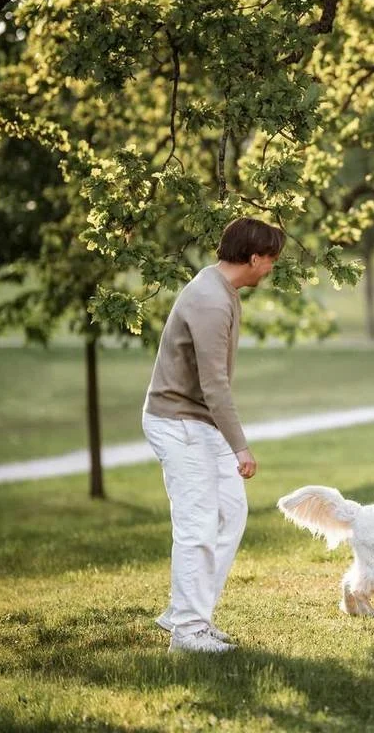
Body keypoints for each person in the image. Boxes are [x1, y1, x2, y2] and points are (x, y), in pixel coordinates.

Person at [142, 218, 284, 653]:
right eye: (271, 261)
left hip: (199, 421)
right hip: (179, 422)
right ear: (255, 257)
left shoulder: (222, 291)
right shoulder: (210, 300)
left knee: (229, 515)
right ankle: (188, 632)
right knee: (198, 525)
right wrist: (240, 444)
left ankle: (187, 613)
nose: (271, 270)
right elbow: (214, 384)